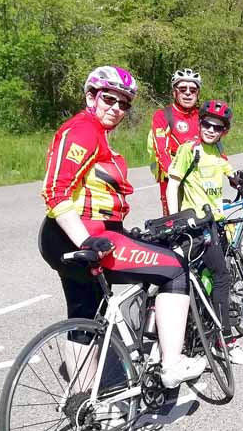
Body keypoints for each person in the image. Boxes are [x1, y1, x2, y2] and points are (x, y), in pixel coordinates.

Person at [39, 66, 205, 390]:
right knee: (174, 269)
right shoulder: (83, 130)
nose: (117, 108)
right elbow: (55, 190)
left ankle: (84, 402)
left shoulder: (95, 132)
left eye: (124, 103)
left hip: (71, 236)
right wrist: (86, 240)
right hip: (83, 235)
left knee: (85, 317)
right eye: (109, 99)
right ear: (91, 96)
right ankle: (172, 364)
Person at [166, 99, 243, 365]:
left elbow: (227, 169)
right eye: (207, 124)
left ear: (223, 132)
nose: (211, 130)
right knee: (222, 276)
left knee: (208, 275)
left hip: (215, 221)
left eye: (217, 128)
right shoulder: (189, 149)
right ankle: (224, 341)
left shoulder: (217, 148)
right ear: (200, 123)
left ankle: (202, 326)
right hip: (197, 224)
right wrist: (175, 222)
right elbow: (173, 185)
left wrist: (237, 179)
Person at [149, 68, 203, 216]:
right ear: (174, 92)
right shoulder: (163, 115)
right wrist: (176, 177)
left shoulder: (203, 115)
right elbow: (162, 151)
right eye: (182, 89)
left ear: (197, 93)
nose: (188, 93)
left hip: (199, 175)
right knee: (174, 221)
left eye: (192, 90)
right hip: (172, 176)